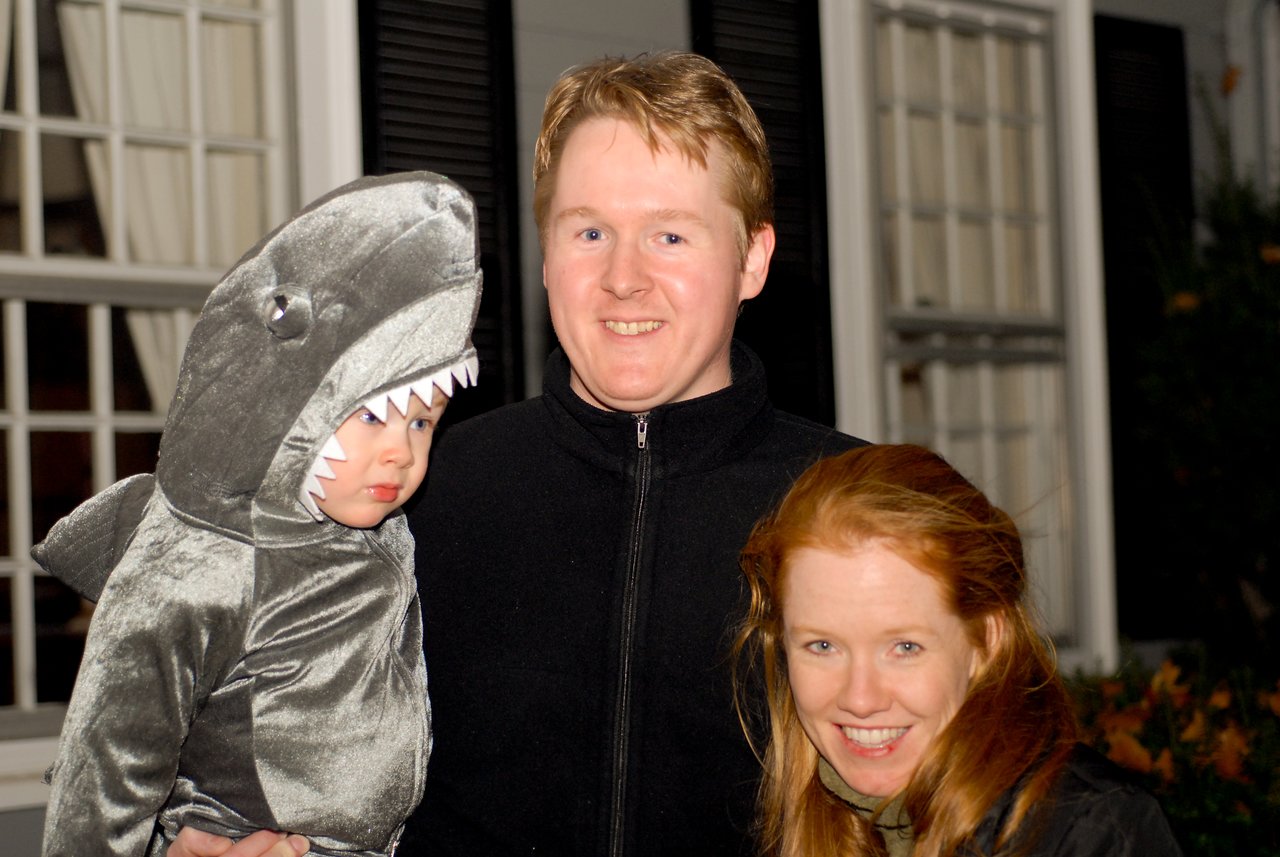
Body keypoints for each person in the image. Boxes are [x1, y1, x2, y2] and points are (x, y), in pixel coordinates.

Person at [166, 50, 864, 857]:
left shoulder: (856, 509)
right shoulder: (411, 495)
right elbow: (267, 725)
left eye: (670, 234)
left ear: (752, 260)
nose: (623, 278)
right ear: (545, 254)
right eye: (591, 231)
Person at [34, 171, 483, 857]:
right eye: (369, 416)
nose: (399, 454)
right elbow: (107, 763)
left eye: (421, 423)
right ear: (292, 400)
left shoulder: (381, 531)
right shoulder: (204, 561)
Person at [733, 444, 1184, 857]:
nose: (860, 699)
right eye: (823, 645)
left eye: (904, 647)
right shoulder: (790, 821)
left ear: (986, 641)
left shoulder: (1094, 833)